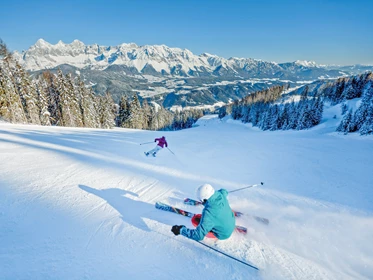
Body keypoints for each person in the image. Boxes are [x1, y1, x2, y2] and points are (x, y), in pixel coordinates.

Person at [171, 184, 236, 241]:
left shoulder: (208, 213)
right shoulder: (220, 194)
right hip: (232, 221)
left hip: (222, 235)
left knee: (194, 221)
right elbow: (224, 191)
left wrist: (181, 230)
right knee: (215, 213)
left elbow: (198, 236)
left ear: (204, 199)